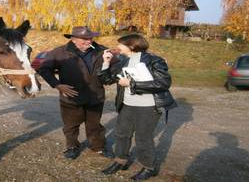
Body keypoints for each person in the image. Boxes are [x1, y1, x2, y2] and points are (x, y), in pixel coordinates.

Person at [99, 33, 177, 180]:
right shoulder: (123, 61)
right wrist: (106, 63)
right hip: (127, 105)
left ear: (131, 45)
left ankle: (149, 167)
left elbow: (163, 83)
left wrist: (132, 84)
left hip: (148, 107)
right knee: (122, 134)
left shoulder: (155, 60)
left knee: (143, 138)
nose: (118, 47)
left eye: (121, 44)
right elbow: (107, 79)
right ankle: (120, 161)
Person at [38, 26, 113, 160]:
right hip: (71, 97)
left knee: (94, 125)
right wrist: (57, 85)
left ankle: (98, 146)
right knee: (71, 125)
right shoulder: (60, 52)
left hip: (95, 96)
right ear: (73, 39)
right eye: (84, 39)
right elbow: (44, 69)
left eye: (90, 38)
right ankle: (72, 147)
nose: (89, 41)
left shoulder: (102, 50)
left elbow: (116, 67)